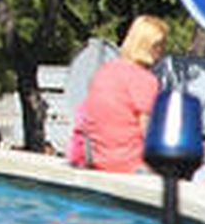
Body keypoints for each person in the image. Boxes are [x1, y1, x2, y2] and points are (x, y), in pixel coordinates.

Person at [67, 15, 167, 173]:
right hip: (132, 164)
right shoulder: (144, 80)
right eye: (161, 45)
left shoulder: (105, 71)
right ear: (151, 46)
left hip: (98, 160)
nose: (163, 51)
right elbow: (148, 131)